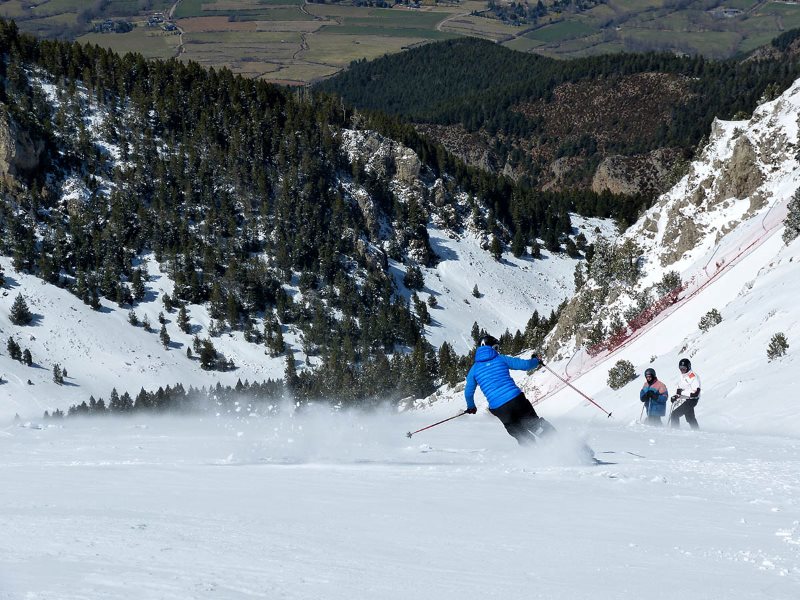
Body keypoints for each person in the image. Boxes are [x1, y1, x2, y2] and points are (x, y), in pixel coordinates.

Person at [464, 334, 555, 445]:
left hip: (500, 409)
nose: (497, 350)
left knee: (521, 435)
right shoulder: (501, 358)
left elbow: (468, 393)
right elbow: (525, 365)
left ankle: (534, 456)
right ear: (491, 347)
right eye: (496, 347)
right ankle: (560, 444)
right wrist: (536, 361)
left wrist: (471, 407)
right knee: (535, 425)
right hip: (516, 400)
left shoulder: (474, 369)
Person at [670, 357, 700, 429]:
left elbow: (695, 393)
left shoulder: (693, 376)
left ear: (688, 367)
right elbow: (680, 389)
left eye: (684, 368)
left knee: (674, 414)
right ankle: (697, 431)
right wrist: (676, 396)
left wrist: (682, 392)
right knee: (690, 418)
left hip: (691, 400)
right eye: (680, 368)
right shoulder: (683, 376)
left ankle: (675, 431)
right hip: (686, 399)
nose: (682, 370)